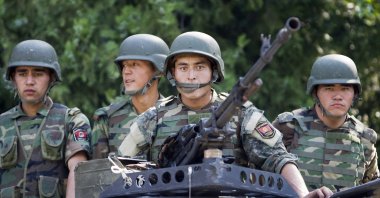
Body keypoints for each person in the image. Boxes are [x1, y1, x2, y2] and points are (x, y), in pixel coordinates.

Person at [118, 31, 332, 197]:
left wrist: (303, 195)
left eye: (199, 67)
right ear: (172, 73)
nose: (191, 76)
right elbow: (117, 169)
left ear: (214, 71)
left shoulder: (243, 114)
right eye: (183, 68)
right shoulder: (153, 118)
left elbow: (278, 158)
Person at [272, 54, 379, 192]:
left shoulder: (365, 139)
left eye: (345, 89)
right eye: (329, 88)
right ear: (316, 92)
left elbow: (372, 192)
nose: (338, 96)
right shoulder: (288, 127)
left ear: (355, 93)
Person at [0, 40, 91, 197]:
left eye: (38, 73)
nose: (29, 81)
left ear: (51, 78)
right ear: (14, 78)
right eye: (22, 73)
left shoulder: (71, 120)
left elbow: (78, 171)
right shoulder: (2, 124)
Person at [91, 34, 169, 159]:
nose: (126, 71)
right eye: (124, 65)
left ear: (158, 71)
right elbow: (98, 173)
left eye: (134, 64)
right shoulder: (106, 118)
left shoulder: (175, 114)